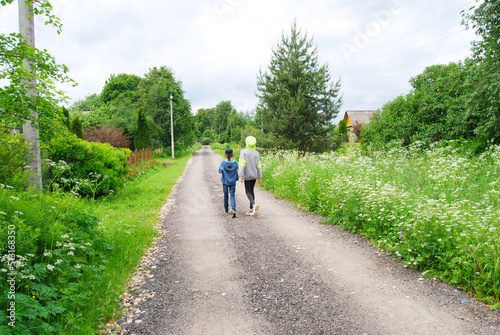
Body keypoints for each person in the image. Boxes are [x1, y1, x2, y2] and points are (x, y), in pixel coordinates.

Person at [239, 136, 262, 217]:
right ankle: (251, 210)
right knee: (252, 191)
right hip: (254, 175)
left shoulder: (244, 152)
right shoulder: (256, 153)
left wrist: (241, 175)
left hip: (247, 175)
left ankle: (253, 205)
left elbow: (242, 164)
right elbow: (258, 165)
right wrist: (260, 177)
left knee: (248, 192)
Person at [219, 148, 239, 218]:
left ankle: (226, 209)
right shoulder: (235, 163)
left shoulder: (223, 162)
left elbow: (219, 171)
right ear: (232, 155)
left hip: (225, 181)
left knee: (226, 196)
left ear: (225, 154)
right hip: (233, 181)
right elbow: (237, 170)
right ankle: (234, 209)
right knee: (232, 195)